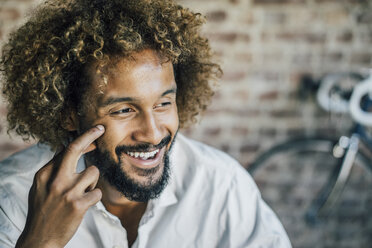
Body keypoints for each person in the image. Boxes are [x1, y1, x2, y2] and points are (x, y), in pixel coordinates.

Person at [0, 0, 291, 247]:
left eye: (163, 103)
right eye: (124, 109)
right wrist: (40, 241)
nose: (153, 133)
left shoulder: (222, 187)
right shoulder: (12, 197)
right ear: (69, 114)